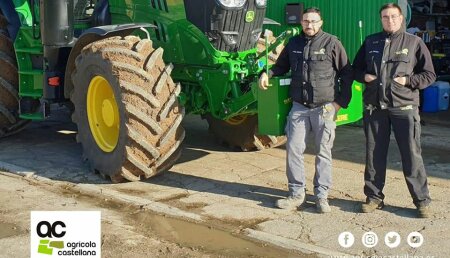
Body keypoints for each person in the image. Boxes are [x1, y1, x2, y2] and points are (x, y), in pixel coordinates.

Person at [259, 7, 353, 213]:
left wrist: (339, 104)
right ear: (301, 23)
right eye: (305, 21)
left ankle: (322, 196)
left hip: (324, 108)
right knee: (293, 150)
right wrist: (268, 73)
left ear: (321, 23)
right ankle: (296, 194)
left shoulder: (332, 43)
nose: (309, 25)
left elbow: (347, 73)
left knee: (323, 152)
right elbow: (281, 66)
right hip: (299, 108)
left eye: (313, 22)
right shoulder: (293, 43)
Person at [353, 3, 435, 218]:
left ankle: (421, 201)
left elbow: (429, 75)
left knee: (411, 155)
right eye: (385, 17)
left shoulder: (414, 42)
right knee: (374, 155)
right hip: (375, 108)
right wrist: (364, 77)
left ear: (401, 18)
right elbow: (355, 68)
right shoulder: (371, 41)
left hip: (404, 109)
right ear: (381, 19)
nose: (389, 20)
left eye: (393, 17)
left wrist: (409, 80)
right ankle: (374, 197)